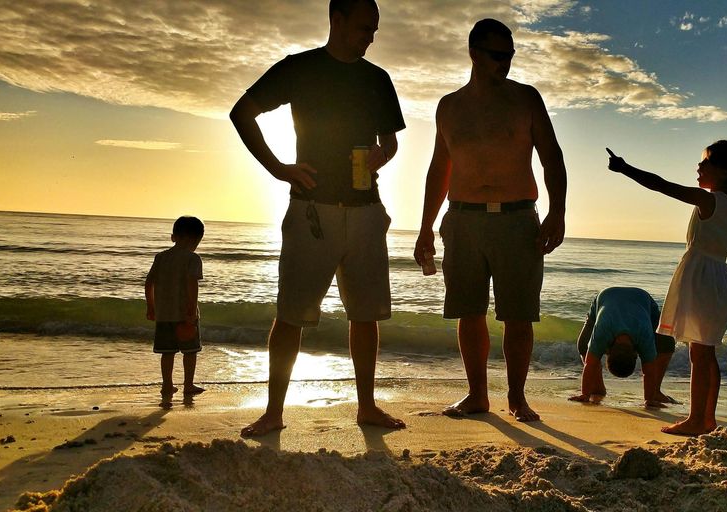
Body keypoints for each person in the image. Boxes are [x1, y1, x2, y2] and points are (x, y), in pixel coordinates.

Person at [229, 0, 406, 436]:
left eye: (375, 30)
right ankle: (274, 413)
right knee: (291, 314)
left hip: (366, 210)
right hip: (312, 210)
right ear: (337, 19)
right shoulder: (300, 68)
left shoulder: (377, 79)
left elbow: (391, 144)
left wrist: (382, 156)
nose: (370, 37)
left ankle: (367, 407)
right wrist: (278, 168)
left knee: (365, 315)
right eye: (365, 28)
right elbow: (241, 113)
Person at [413, 18, 567, 422]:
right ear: (474, 53)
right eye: (498, 56)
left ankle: (517, 398)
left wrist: (558, 211)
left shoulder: (526, 99)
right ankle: (477, 395)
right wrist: (426, 226)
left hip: (517, 218)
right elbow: (438, 170)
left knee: (519, 313)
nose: (506, 63)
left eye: (511, 56)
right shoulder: (449, 106)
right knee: (469, 310)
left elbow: (553, 156)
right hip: (462, 220)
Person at [606, 140, 727, 436]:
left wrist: (625, 169)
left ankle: (697, 419)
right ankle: (707, 418)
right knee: (706, 352)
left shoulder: (707, 200)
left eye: (707, 162)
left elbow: (661, 185)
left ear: (725, 171)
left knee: (698, 355)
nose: (699, 166)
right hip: (721, 281)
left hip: (699, 279)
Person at [567, 287, 678, 408]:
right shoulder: (603, 331)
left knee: (667, 344)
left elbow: (590, 363)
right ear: (637, 354)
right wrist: (648, 400)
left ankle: (655, 392)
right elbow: (648, 371)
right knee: (584, 345)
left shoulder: (644, 335)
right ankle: (597, 388)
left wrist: (584, 395)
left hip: (642, 300)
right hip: (606, 297)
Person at [145, 216, 206, 404]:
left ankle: (167, 384)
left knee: (167, 351)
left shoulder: (161, 257)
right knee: (190, 351)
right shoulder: (193, 259)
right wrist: (191, 310)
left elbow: (149, 283)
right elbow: (191, 284)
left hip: (164, 314)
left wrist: (151, 306)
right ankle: (188, 384)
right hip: (184, 314)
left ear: (173, 237)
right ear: (194, 240)